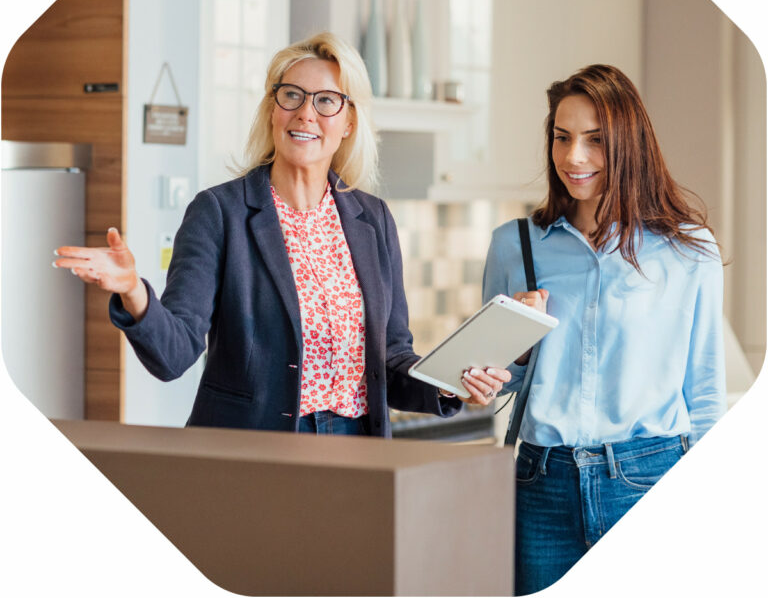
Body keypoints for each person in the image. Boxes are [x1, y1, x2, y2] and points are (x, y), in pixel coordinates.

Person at [55, 32, 508, 436]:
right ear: (273, 109)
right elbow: (174, 356)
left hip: (359, 450)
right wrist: (134, 291)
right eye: (292, 95)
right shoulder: (219, 212)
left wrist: (454, 385)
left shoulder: (374, 220)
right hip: (256, 453)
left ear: (349, 122)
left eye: (327, 100)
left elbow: (391, 359)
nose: (306, 113)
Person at [483, 64, 726, 595]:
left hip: (650, 476)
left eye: (595, 141)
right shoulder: (515, 245)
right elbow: (497, 382)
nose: (574, 157)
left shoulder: (689, 250)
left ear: (629, 145)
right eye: (562, 138)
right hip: (541, 485)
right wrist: (515, 354)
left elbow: (705, 393)